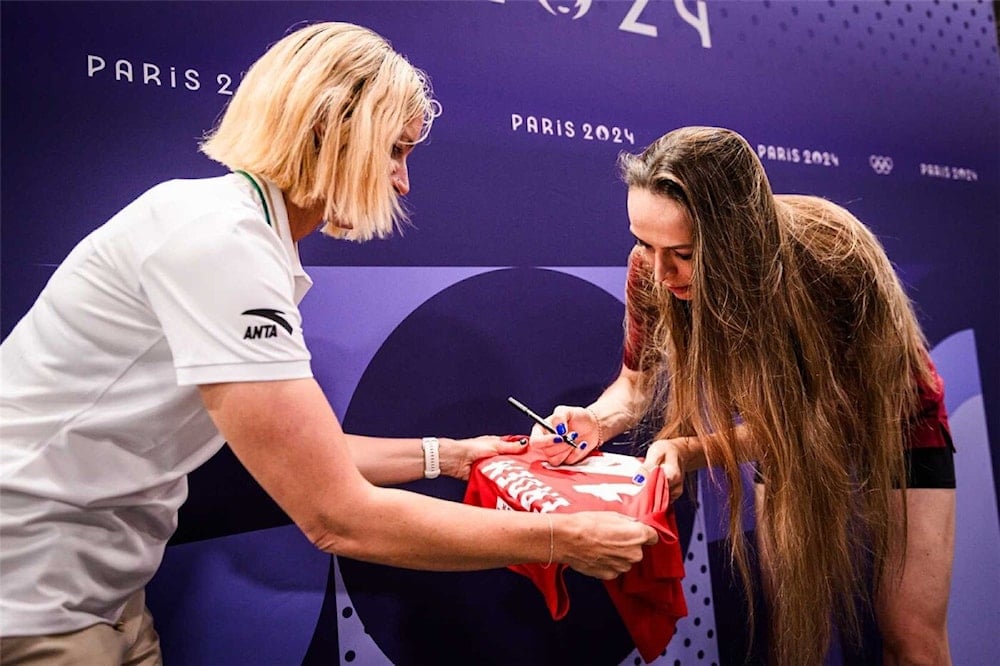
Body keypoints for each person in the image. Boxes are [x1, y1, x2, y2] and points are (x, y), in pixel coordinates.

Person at [0, 22, 658, 665]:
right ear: (327, 131)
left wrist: (454, 457)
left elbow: (306, 455)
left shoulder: (239, 233)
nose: (402, 182)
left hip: (98, 596)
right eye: (395, 151)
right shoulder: (220, 244)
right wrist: (561, 537)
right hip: (29, 594)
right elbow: (337, 515)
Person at [529, 126, 955, 665]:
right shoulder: (653, 270)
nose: (659, 273)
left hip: (892, 414)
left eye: (682, 253)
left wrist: (690, 449)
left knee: (912, 638)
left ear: (736, 238)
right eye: (643, 244)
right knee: (798, 633)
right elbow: (634, 387)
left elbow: (829, 417)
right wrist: (594, 419)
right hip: (777, 428)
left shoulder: (834, 254)